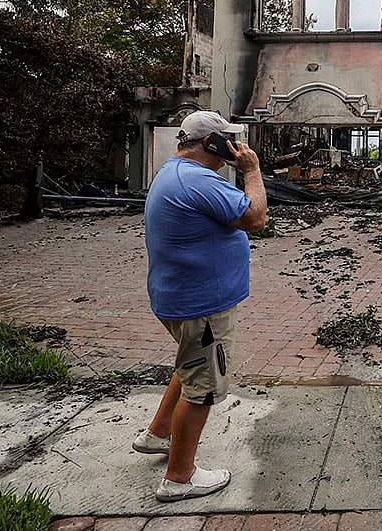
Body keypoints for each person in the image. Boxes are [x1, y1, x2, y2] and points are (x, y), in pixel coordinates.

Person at [133, 110, 267, 502]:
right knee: (203, 388)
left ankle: (158, 433)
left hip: (181, 298)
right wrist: (252, 172)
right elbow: (255, 217)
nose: (237, 145)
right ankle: (179, 477)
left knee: (191, 364)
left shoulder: (174, 172)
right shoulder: (197, 180)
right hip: (201, 304)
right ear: (212, 143)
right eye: (229, 139)